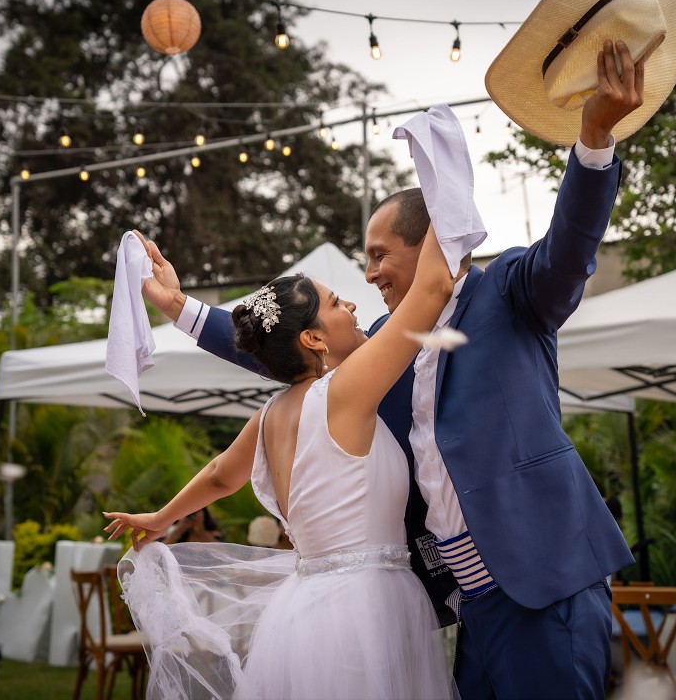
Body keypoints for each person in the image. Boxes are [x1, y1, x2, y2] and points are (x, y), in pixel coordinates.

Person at [132, 0, 676, 695]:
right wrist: (182, 309)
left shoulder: (511, 292)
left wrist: (596, 141)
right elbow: (288, 349)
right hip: (470, 607)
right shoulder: (377, 353)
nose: (367, 274)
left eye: (377, 254)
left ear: (425, 245)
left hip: (543, 586)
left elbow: (572, 249)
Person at [102, 213, 460, 699]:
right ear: (313, 339)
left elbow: (218, 475)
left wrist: (164, 516)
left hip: (303, 611)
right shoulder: (347, 392)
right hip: (366, 607)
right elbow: (433, 289)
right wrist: (442, 200)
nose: (353, 303)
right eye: (336, 303)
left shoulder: (270, 414)